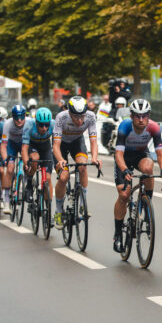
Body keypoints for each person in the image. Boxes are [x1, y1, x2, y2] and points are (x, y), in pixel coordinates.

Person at [112, 99, 162, 253]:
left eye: (144, 116)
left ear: (148, 116)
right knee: (124, 195)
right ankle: (117, 234)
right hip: (124, 157)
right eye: (137, 116)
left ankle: (146, 203)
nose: (141, 119)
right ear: (131, 116)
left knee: (149, 167)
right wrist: (125, 170)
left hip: (141, 154)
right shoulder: (125, 126)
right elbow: (118, 154)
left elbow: (160, 153)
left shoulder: (154, 127)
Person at [52, 96, 102, 229]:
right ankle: (58, 211)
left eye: (82, 116)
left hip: (76, 142)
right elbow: (55, 146)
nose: (80, 121)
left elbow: (93, 141)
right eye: (76, 117)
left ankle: (82, 204)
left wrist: (94, 158)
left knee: (83, 167)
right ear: (69, 113)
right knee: (63, 177)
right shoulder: (61, 117)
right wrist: (61, 160)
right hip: (61, 144)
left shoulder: (91, 116)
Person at [0, 104, 35, 214]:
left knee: (29, 164)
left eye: (21, 117)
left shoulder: (30, 122)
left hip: (26, 144)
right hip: (12, 145)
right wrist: (5, 160)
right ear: (12, 117)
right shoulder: (7, 124)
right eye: (16, 117)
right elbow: (3, 145)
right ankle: (6, 200)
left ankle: (27, 181)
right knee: (10, 168)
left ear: (25, 115)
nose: (19, 120)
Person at [22, 107, 54, 203]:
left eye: (46, 125)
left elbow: (57, 144)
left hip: (45, 147)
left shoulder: (54, 124)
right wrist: (26, 163)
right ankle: (29, 183)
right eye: (41, 125)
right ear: (36, 122)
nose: (44, 128)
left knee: (48, 178)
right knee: (35, 159)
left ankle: (48, 205)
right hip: (33, 146)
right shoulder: (29, 125)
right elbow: (24, 148)